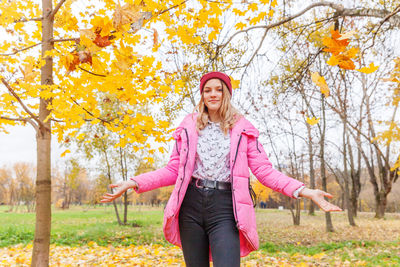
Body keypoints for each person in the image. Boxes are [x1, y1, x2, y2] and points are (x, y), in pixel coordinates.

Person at [100, 71, 342, 267]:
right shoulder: (189, 126)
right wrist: (134, 182)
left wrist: (304, 191)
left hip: (225, 208)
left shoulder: (243, 129)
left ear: (226, 94)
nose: (213, 94)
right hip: (191, 206)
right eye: (207, 90)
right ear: (202, 95)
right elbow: (173, 169)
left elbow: (266, 172)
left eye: (218, 89)